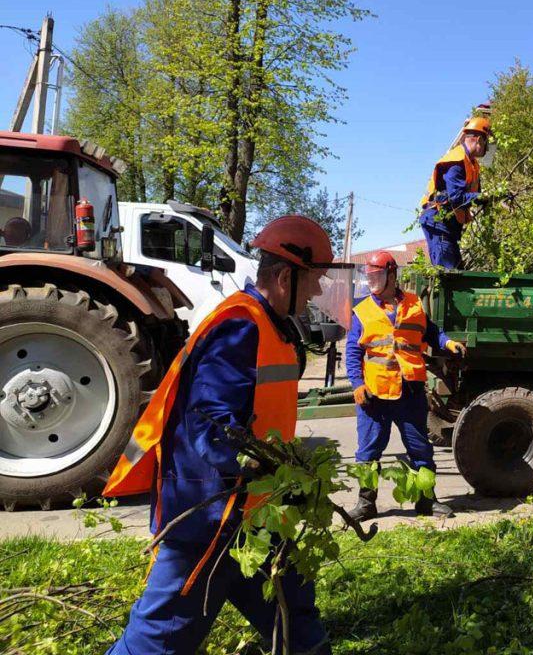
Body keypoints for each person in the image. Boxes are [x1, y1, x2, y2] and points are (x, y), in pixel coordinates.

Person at [102, 215, 339, 655]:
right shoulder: (240, 326)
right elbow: (211, 426)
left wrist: (286, 470)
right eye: (315, 280)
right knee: (162, 636)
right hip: (212, 513)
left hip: (258, 509)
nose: (318, 292)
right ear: (285, 277)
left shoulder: (268, 325)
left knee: (293, 616)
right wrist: (267, 466)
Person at [346, 250, 466, 520]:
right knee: (368, 451)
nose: (372, 280)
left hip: (410, 391)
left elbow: (431, 332)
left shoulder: (414, 304)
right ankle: (366, 503)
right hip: (374, 395)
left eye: (377, 275)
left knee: (420, 448)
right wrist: (357, 384)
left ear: (392, 275)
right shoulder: (362, 311)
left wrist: (448, 343)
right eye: (369, 275)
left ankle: (426, 500)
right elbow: (353, 352)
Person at [418, 116, 492, 269]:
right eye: (487, 142)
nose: (488, 148)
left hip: (450, 225)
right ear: (479, 140)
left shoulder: (472, 164)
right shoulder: (457, 160)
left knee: (457, 269)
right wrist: (483, 197)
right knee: (448, 272)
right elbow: (456, 198)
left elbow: (476, 195)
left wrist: (493, 197)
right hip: (438, 221)